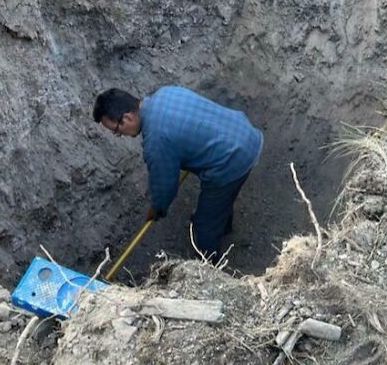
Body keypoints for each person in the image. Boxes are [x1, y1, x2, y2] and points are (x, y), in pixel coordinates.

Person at [93, 86, 263, 259]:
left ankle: (210, 270)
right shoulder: (166, 93)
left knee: (204, 225)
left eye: (116, 131)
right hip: (242, 132)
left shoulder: (156, 140)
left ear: (128, 117)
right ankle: (223, 227)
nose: (120, 135)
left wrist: (157, 208)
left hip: (233, 159)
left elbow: (165, 185)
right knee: (220, 201)